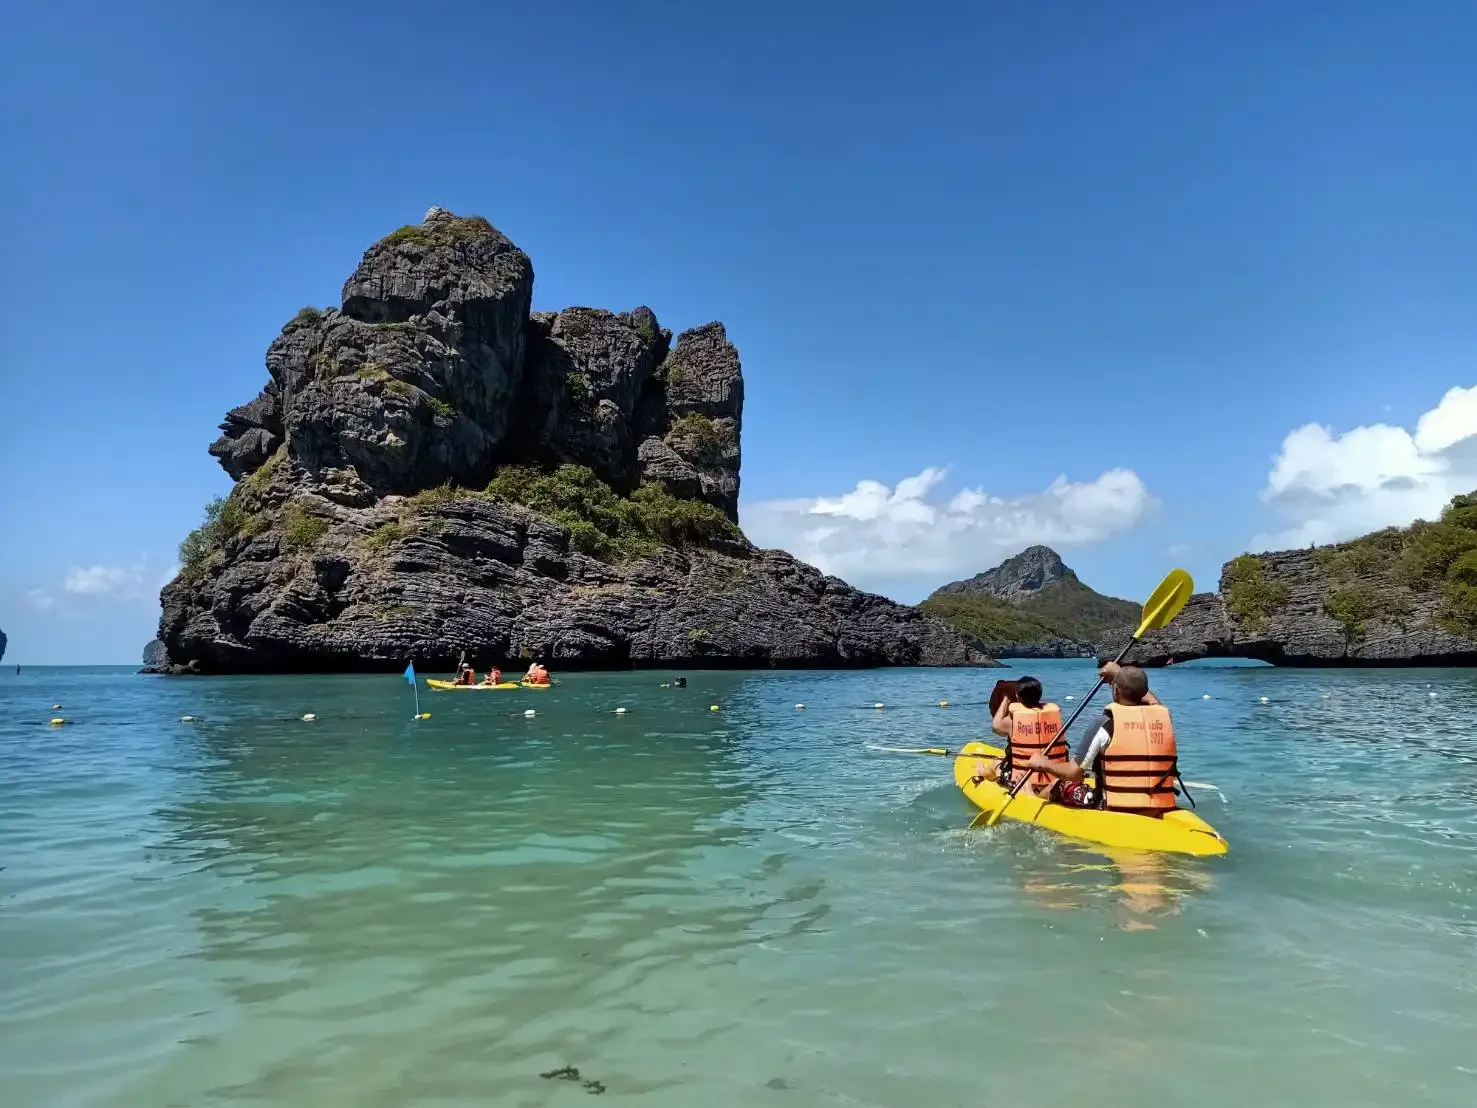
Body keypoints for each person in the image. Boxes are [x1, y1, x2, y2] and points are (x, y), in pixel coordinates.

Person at [1028, 662, 1179, 813]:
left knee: (1059, 785)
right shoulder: (1162, 720)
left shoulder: (1104, 724)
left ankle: (1031, 800)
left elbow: (1074, 774)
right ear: (1145, 691)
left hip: (1114, 807)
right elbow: (1155, 703)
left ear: (1116, 689)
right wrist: (1119, 674)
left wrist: (1042, 763)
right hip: (1159, 806)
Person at [970, 676, 1066, 796]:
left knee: (997, 763)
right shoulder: (1053, 717)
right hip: (1053, 776)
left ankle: (982, 771)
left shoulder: (1013, 721)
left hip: (1024, 781)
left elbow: (995, 726)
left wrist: (1006, 699)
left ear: (1017, 696)